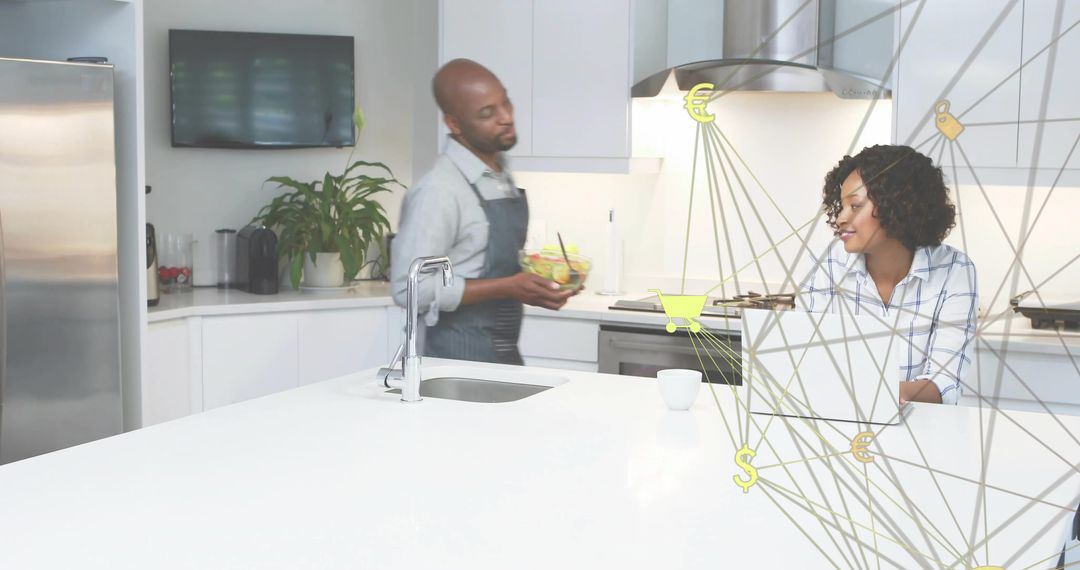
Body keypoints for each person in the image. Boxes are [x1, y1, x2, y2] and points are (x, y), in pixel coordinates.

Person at [390, 59, 576, 365]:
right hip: (453, 362)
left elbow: (482, 262)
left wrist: (539, 285)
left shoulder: (499, 176)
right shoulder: (439, 191)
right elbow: (407, 289)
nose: (506, 117)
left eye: (506, 102)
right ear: (454, 124)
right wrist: (508, 287)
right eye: (487, 113)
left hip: (501, 355)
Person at [797, 145, 978, 405]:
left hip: (920, 424)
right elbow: (807, 364)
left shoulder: (955, 271)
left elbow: (945, 382)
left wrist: (887, 395)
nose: (839, 219)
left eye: (855, 206)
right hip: (836, 418)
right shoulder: (825, 265)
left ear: (898, 207)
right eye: (841, 206)